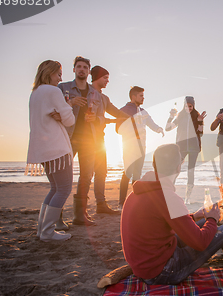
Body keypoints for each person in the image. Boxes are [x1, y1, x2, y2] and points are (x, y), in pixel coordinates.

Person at [120, 144, 223, 285]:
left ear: (153, 164)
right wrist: (212, 219)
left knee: (200, 223)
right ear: (178, 168)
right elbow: (200, 243)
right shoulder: (167, 197)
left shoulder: (139, 191)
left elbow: (160, 223)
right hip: (161, 272)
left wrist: (195, 216)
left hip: (144, 265)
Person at [26, 60, 75, 242]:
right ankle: (47, 232)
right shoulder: (53, 91)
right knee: (63, 189)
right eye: (58, 74)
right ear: (49, 72)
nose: (60, 79)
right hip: (57, 148)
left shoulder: (35, 93)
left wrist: (59, 114)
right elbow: (70, 120)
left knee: (55, 188)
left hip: (43, 149)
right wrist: (66, 108)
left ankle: (42, 230)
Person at [58, 56, 104, 226]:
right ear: (74, 69)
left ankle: (79, 215)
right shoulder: (63, 88)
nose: (82, 69)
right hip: (67, 139)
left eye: (85, 67)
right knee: (63, 178)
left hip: (89, 141)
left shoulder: (95, 93)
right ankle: (58, 217)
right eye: (79, 67)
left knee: (86, 176)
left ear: (88, 71)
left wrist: (95, 120)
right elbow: (54, 110)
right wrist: (70, 103)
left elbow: (101, 118)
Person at [90, 66, 130, 214]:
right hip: (85, 139)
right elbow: (90, 118)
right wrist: (109, 121)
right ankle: (80, 209)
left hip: (100, 139)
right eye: (105, 78)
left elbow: (116, 112)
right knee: (87, 174)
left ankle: (101, 205)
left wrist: (130, 118)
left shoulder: (104, 98)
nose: (108, 81)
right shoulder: (87, 93)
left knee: (102, 171)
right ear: (96, 77)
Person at [117, 86, 164, 207]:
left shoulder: (143, 111)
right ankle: (121, 203)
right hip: (129, 146)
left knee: (137, 174)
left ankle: (134, 201)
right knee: (127, 173)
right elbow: (118, 129)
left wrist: (159, 129)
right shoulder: (124, 110)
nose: (143, 98)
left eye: (143, 95)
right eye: (141, 96)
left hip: (142, 147)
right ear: (133, 97)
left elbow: (151, 123)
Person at [165, 96, 206, 204]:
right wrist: (171, 116)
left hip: (194, 147)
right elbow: (168, 128)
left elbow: (200, 134)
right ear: (183, 105)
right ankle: (170, 193)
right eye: (186, 106)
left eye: (190, 106)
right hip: (181, 147)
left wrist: (200, 122)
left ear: (193, 105)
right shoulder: (180, 116)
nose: (188, 108)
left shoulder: (197, 116)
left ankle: (187, 198)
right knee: (175, 169)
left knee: (190, 171)